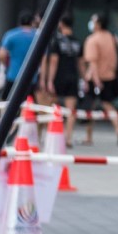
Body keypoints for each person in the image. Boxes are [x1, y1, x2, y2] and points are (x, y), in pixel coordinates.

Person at [83, 13, 118, 146]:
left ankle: (89, 136)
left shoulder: (92, 40)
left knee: (90, 107)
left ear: (98, 24)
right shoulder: (112, 38)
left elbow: (93, 63)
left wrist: (95, 80)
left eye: (94, 21)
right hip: (110, 76)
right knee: (108, 104)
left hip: (96, 78)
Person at [43, 14, 85, 148]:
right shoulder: (77, 42)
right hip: (73, 77)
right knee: (71, 110)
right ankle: (68, 138)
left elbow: (54, 62)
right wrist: (83, 79)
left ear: (61, 24)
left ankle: (52, 135)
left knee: (52, 107)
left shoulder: (57, 41)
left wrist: (49, 80)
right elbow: (81, 63)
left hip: (59, 78)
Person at [0, 11, 38, 101]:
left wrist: (6, 65)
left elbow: (1, 54)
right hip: (32, 76)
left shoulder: (11, 35)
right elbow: (44, 58)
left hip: (13, 74)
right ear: (32, 22)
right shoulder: (38, 36)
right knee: (29, 105)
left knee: (7, 101)